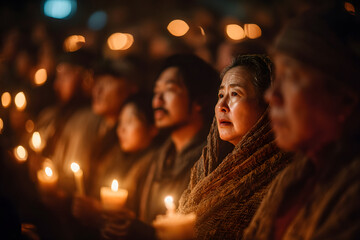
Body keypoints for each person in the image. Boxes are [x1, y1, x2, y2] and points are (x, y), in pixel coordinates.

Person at [243, 9, 360, 240]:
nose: (271, 96)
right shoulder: (292, 180)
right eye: (278, 76)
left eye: (292, 76)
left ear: (345, 97)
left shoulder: (353, 194)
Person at [101, 54, 219, 239]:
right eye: (156, 92)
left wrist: (141, 232)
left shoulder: (212, 161)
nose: (157, 101)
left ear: (199, 101)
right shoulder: (158, 159)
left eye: (170, 90)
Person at [178, 55, 292, 239]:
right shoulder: (204, 170)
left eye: (235, 94)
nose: (222, 106)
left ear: (268, 106)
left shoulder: (283, 182)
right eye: (221, 95)